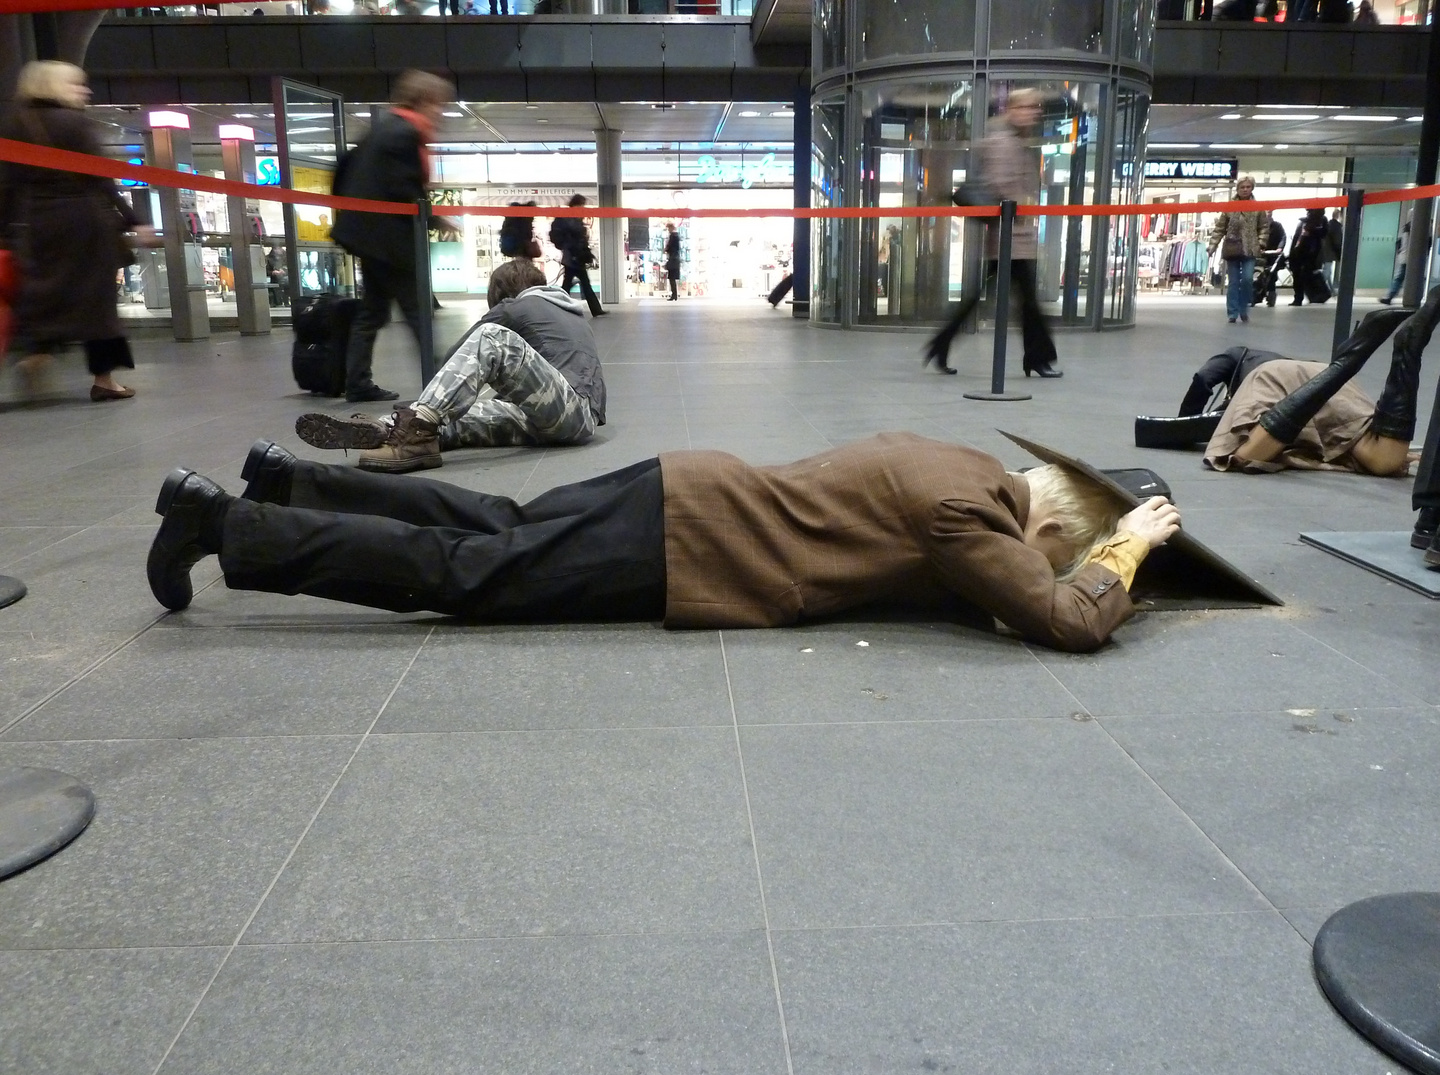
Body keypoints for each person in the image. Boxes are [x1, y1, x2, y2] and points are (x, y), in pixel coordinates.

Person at [147, 432, 1183, 655]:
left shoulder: (960, 467)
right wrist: (1122, 553)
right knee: (473, 578)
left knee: (495, 527)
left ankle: (287, 479)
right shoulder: (972, 519)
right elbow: (1060, 618)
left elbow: (949, 577)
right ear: (1054, 529)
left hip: (682, 486)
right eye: (1065, 548)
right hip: (691, 542)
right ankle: (232, 523)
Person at [295, 258, 605, 472]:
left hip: (568, 412)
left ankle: (417, 423)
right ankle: (391, 430)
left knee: (491, 338)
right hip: (570, 418)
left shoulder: (516, 306)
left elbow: (459, 355)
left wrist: (446, 395)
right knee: (456, 418)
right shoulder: (570, 312)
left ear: (500, 294)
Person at [0, 61, 154, 402]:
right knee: (97, 303)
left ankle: (36, 354)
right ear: (52, 86)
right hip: (85, 222)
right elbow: (102, 179)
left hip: (38, 223)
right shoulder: (74, 123)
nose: (84, 91)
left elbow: (8, 185)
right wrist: (135, 220)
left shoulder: (15, 125)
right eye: (75, 84)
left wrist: (4, 232)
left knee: (42, 294)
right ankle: (104, 380)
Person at [1205, 288, 1440, 481]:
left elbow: (1202, 380)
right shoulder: (1268, 358)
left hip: (1273, 378)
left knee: (1244, 455)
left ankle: (1347, 363)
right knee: (1383, 459)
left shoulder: (1237, 355)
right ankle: (1403, 350)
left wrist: (1190, 416)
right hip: (1320, 379)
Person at [330, 70, 452, 403]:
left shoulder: (382, 129)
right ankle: (440, 385)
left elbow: (344, 169)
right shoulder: (405, 133)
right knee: (418, 312)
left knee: (372, 311)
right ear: (424, 100)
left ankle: (357, 381)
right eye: (438, 104)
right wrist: (435, 218)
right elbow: (404, 190)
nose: (440, 112)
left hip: (371, 237)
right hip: (389, 240)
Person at [923, 87, 1061, 378]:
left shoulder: (1014, 141)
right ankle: (1037, 357)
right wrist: (1024, 202)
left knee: (996, 298)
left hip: (1013, 237)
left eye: (1034, 107)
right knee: (1024, 302)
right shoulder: (1003, 143)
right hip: (1009, 236)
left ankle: (941, 344)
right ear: (1011, 110)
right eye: (1025, 107)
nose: (1033, 112)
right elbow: (999, 185)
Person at [1207, 175, 1268, 324]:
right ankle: (1232, 313)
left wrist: (1260, 243)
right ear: (1238, 189)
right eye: (1242, 187)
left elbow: (1264, 227)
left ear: (1252, 188)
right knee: (1233, 282)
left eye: (1248, 187)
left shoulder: (1258, 207)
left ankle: (1243, 309)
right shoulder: (1230, 207)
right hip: (1232, 247)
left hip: (1250, 248)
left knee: (1247, 279)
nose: (1245, 189)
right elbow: (1220, 228)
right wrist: (1213, 245)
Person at [548, 193, 604, 317]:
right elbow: (576, 238)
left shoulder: (572, 218)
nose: (583, 207)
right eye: (582, 205)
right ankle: (595, 310)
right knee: (576, 284)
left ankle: (595, 309)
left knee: (575, 283)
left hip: (573, 257)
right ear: (576, 204)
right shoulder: (571, 219)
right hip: (573, 257)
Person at [1287, 207, 1329, 306]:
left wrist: (1311, 231)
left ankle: (1313, 295)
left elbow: (1323, 233)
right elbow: (1297, 239)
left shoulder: (1321, 220)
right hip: (1298, 252)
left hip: (1310, 253)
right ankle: (1298, 297)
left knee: (1305, 275)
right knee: (1297, 276)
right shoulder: (1303, 221)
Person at [1252, 217, 1286, 308]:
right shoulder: (1257, 225)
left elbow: (1283, 237)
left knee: (1271, 275)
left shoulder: (1277, 226)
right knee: (1256, 273)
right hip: (1260, 254)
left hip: (1273, 254)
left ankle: (1271, 294)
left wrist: (1280, 248)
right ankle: (1255, 293)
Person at [1379, 221, 1409, 305]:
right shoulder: (1420, 229)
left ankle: (1390, 296)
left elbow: (1400, 243)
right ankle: (1391, 296)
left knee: (1399, 278)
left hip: (1404, 257)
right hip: (1411, 258)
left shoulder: (1406, 228)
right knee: (1404, 278)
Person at [1321, 209, 1344, 290]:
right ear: (1339, 216)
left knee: (1328, 271)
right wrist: (1340, 252)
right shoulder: (1337, 226)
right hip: (1330, 252)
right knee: (1327, 272)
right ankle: (1318, 288)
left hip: (1325, 251)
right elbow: (1337, 241)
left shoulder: (1328, 224)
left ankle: (1331, 290)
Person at [664, 222, 681, 301]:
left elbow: (669, 247)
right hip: (675, 259)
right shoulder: (676, 236)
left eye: (668, 228)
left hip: (673, 260)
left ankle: (674, 295)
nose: (668, 230)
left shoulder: (673, 236)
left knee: (671, 278)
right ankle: (674, 294)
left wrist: (666, 249)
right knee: (672, 278)